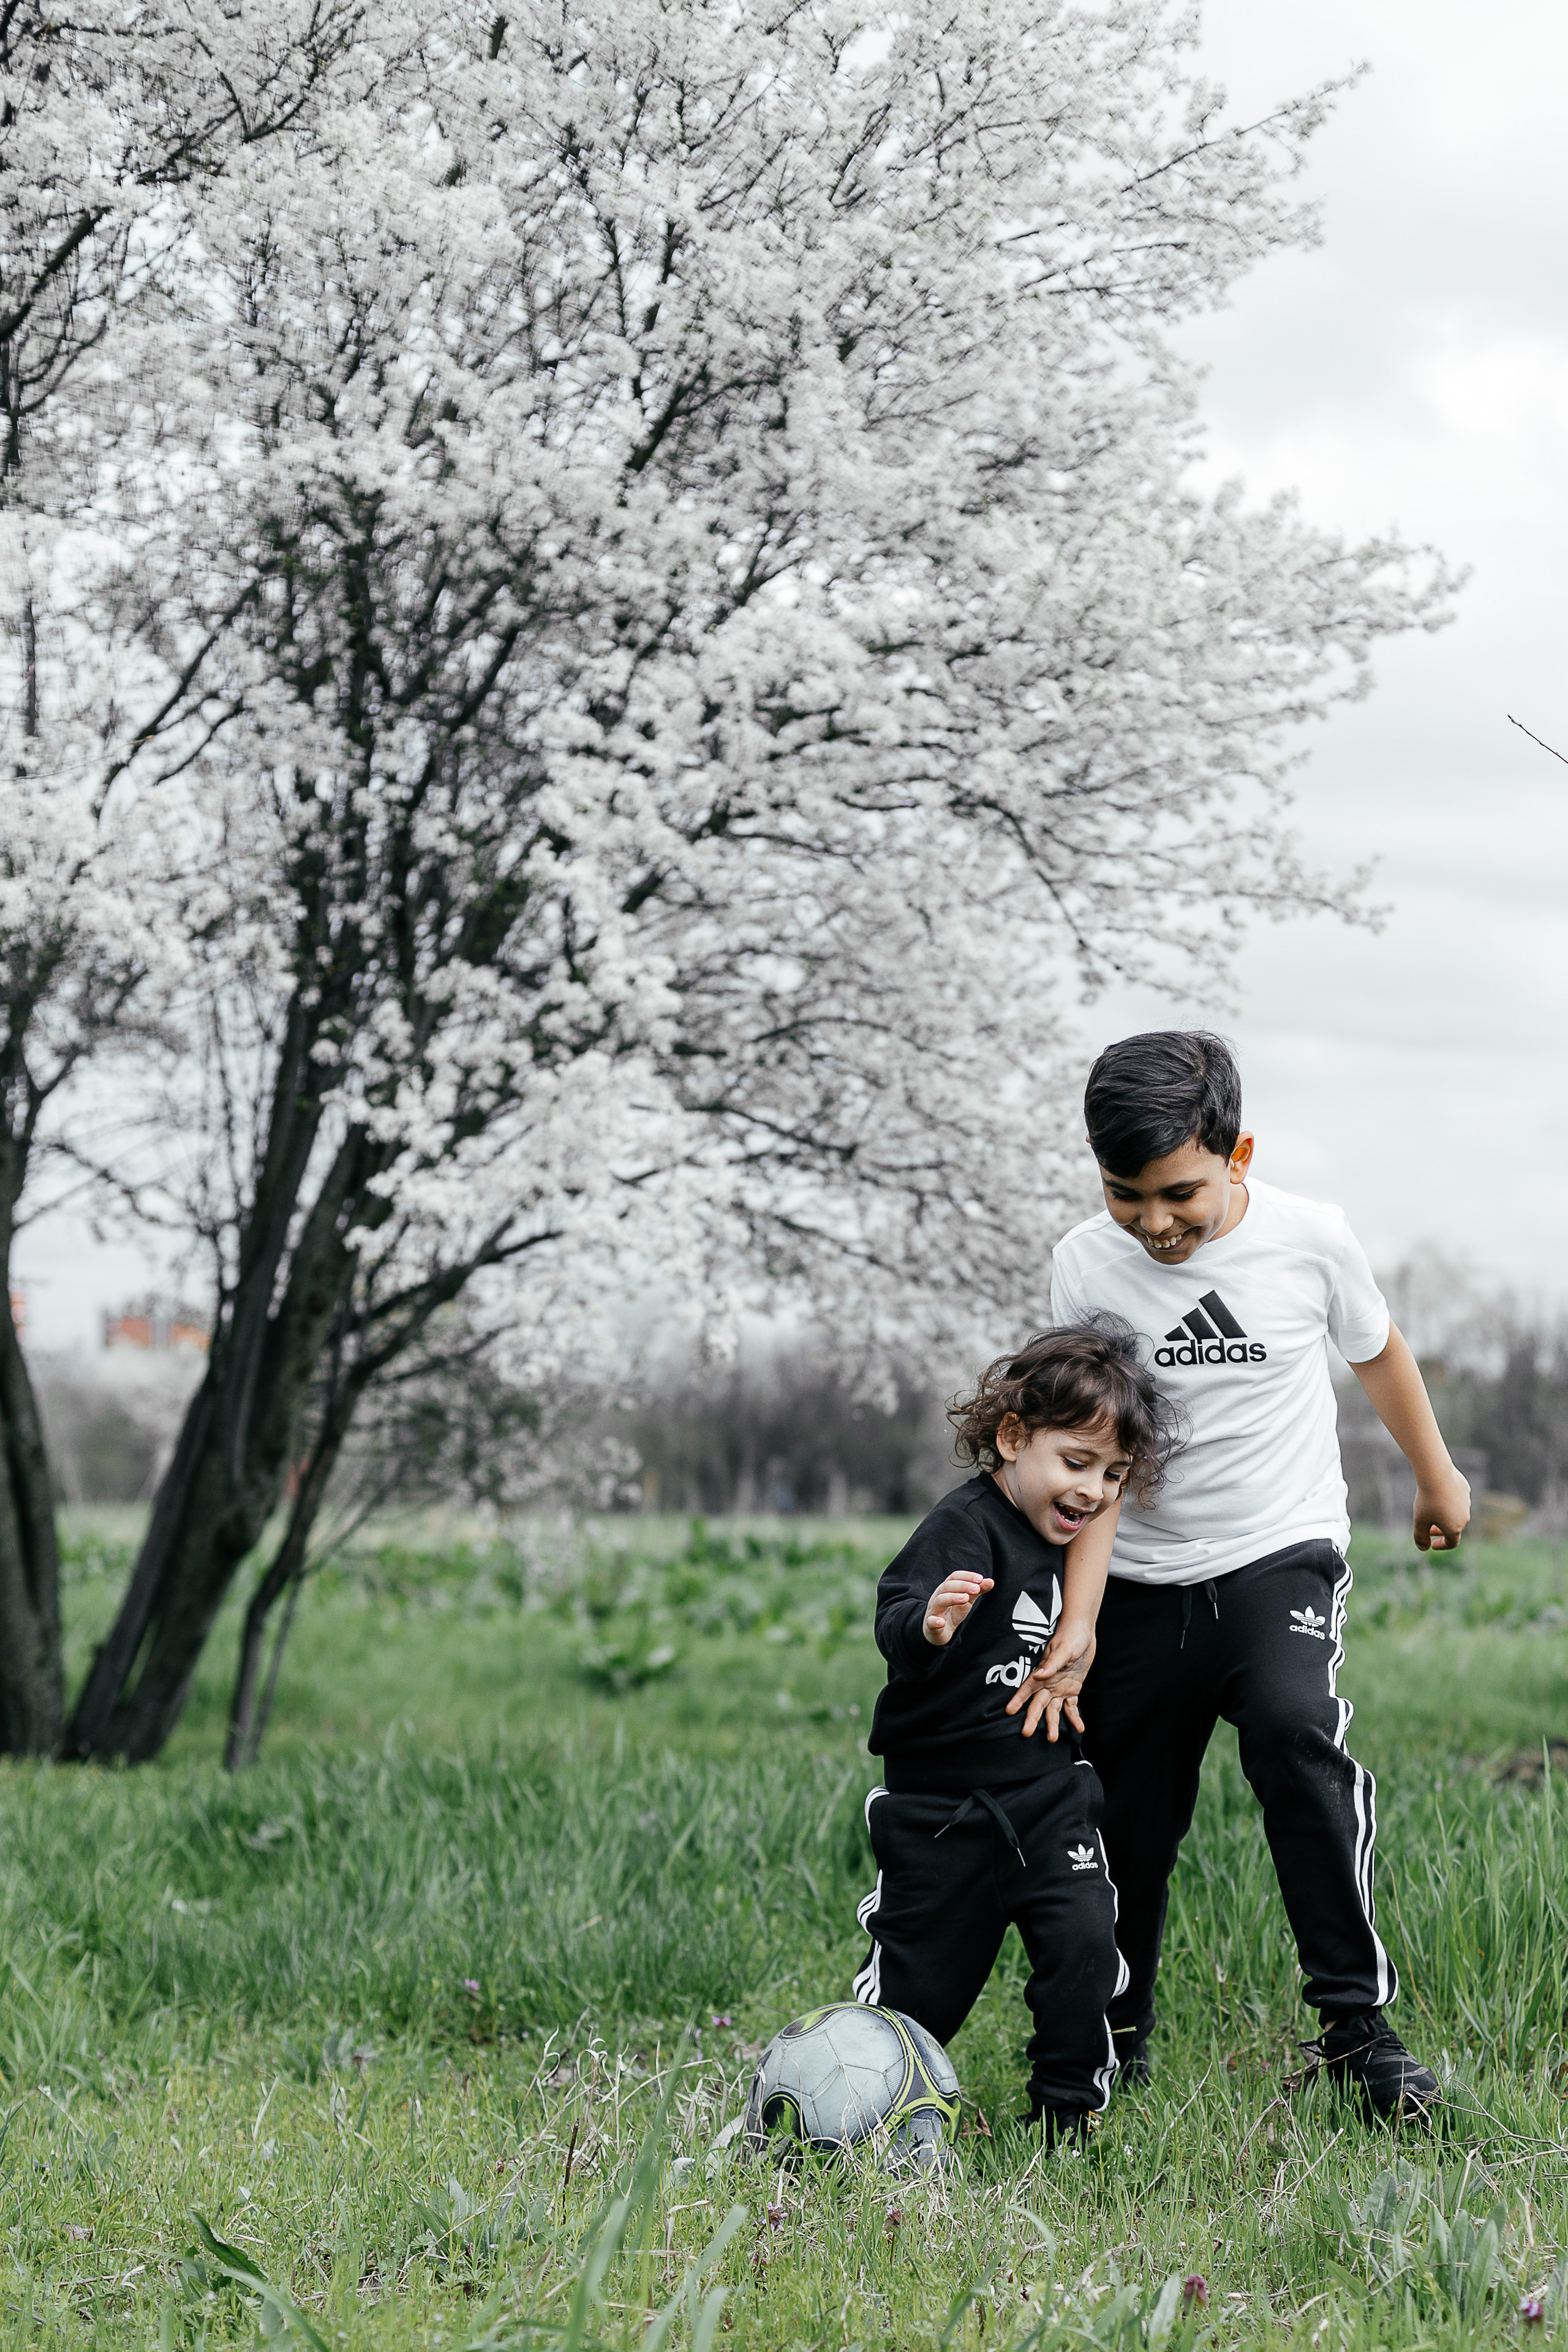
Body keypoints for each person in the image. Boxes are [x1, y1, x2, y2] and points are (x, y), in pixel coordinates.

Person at [1036, 1030, 1468, 2120]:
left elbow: (1380, 1352)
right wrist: (1077, 1614)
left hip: (1280, 1549)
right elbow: (1087, 1447)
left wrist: (1437, 1477)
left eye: (1178, 1191)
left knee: (1291, 1737)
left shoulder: (1310, 1240)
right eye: (1126, 1194)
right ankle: (1108, 2040)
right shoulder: (1086, 1262)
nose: (1154, 1222)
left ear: (1240, 1154)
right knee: (1127, 1811)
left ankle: (1357, 2033)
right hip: (1137, 1576)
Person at [852, 1322, 1180, 2144]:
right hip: (941, 1808)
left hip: (1046, 1795)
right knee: (922, 1991)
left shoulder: (1074, 1555)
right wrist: (931, 1624)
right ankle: (869, 2099)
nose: (1095, 1493)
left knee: (1084, 1948)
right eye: (1076, 1463)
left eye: (1112, 1476)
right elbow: (895, 1606)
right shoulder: (965, 1526)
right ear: (1012, 1437)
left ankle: (1066, 2112)